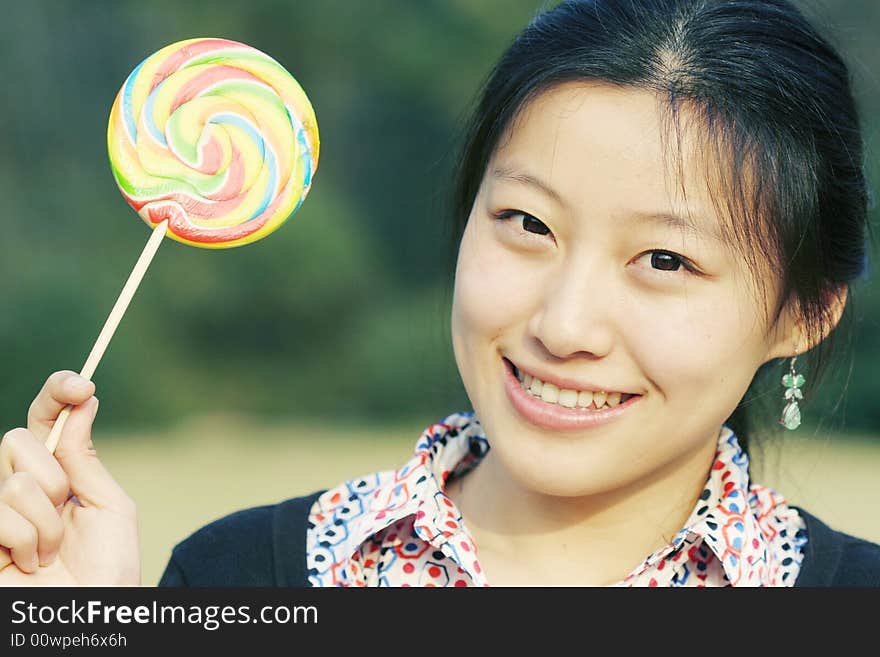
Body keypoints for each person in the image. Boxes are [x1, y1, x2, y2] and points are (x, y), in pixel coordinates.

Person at [2, 0, 879, 587]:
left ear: (804, 311)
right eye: (529, 225)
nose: (564, 325)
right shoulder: (238, 577)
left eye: (664, 260)